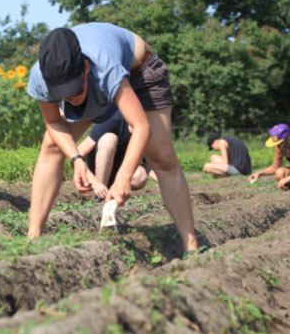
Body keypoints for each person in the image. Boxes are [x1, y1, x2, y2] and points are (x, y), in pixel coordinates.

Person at [26, 24, 199, 253]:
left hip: (140, 71)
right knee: (51, 145)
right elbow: (55, 122)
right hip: (98, 85)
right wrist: (77, 159)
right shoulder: (40, 76)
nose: (71, 99)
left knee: (162, 158)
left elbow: (140, 127)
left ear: (85, 68)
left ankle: (192, 247)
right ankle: (33, 238)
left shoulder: (102, 64)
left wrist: (123, 177)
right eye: (62, 95)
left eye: (74, 90)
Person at [75, 111, 151, 201]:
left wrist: (168, 184)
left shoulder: (147, 130)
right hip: (94, 171)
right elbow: (77, 154)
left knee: (141, 175)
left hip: (118, 173)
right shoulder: (114, 118)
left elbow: (151, 166)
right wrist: (95, 183)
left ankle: (113, 190)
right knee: (109, 139)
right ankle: (99, 197)